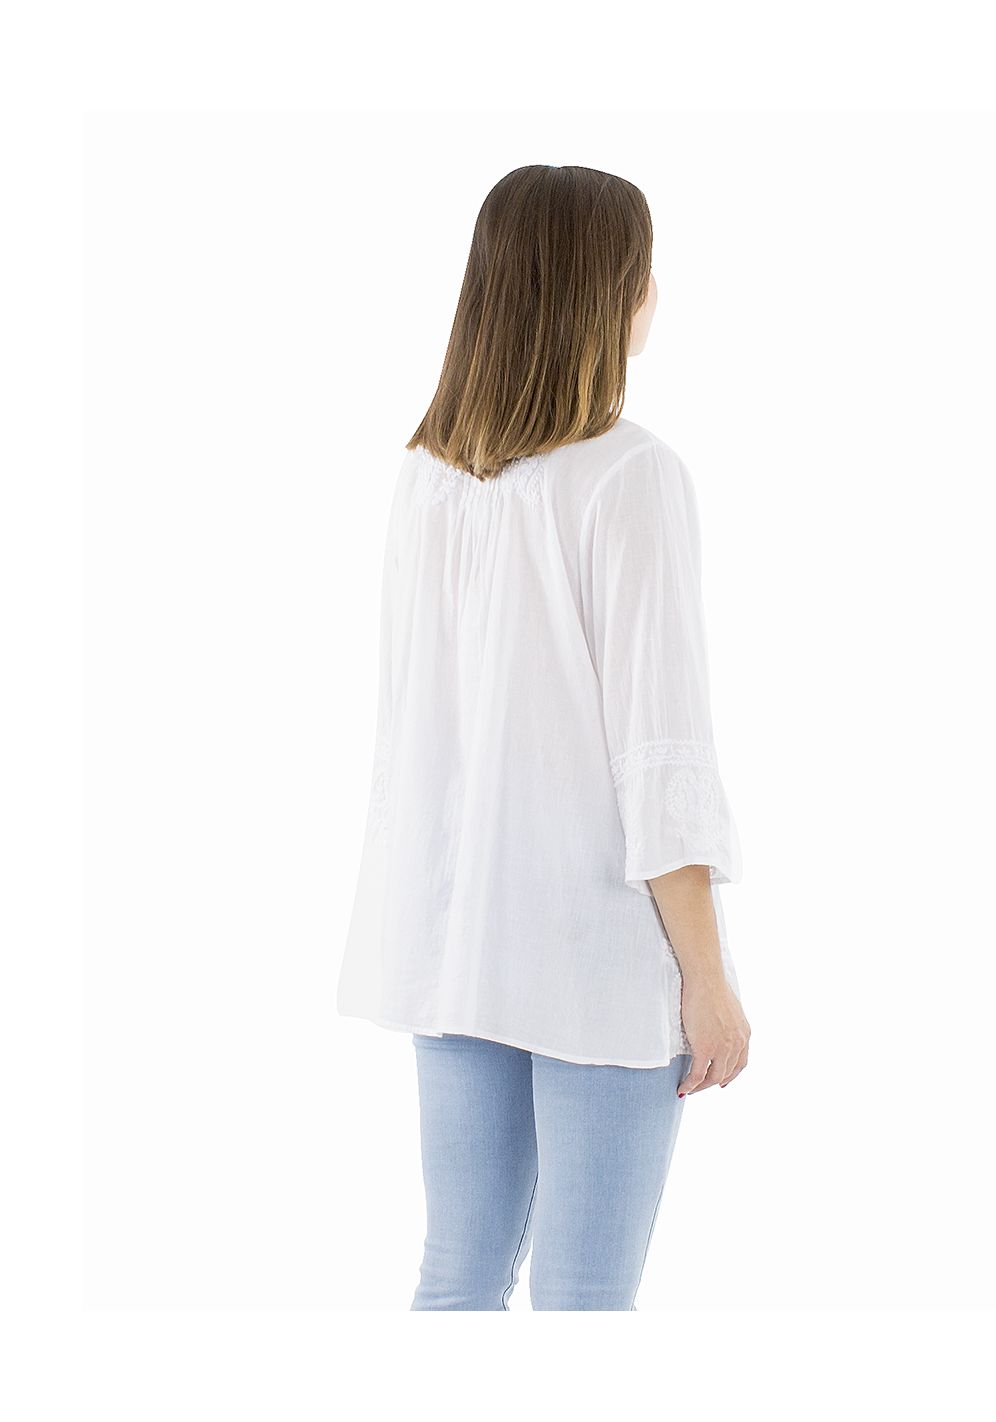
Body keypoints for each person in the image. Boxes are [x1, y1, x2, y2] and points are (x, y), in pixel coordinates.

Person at [337, 164, 751, 1311]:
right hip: (588, 950)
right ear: (612, 292)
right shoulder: (630, 476)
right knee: (585, 1297)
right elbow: (657, 751)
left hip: (450, 941)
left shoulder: (425, 476)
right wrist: (707, 979)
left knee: (457, 1273)